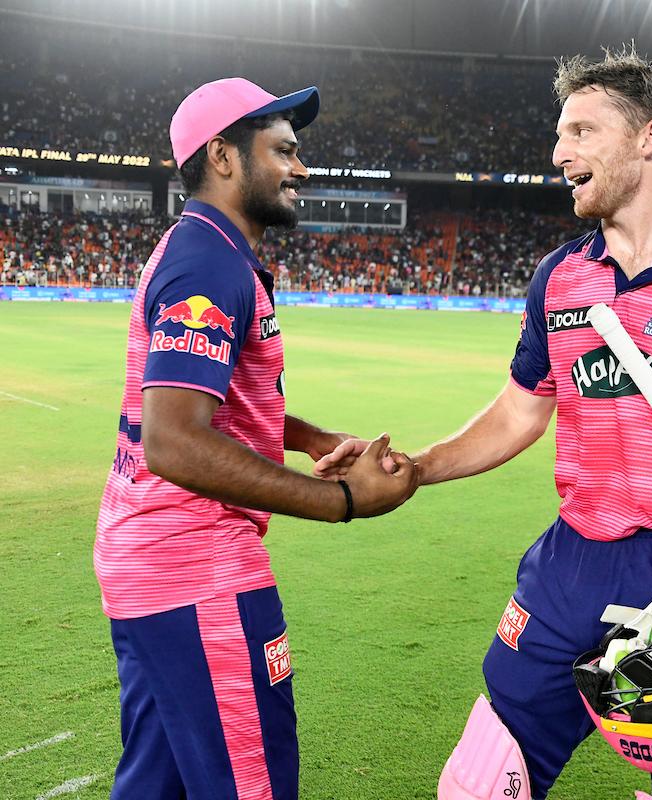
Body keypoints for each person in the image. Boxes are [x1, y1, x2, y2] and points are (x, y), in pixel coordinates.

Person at [320, 48, 652, 800]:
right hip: (569, 564)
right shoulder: (559, 277)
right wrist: (421, 466)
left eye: (581, 131)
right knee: (483, 778)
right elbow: (518, 411)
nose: (560, 153)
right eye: (560, 134)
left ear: (648, 137)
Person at [95, 78, 418, 800]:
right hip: (195, 569)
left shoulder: (211, 253)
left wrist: (305, 436)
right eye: (284, 151)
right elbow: (174, 441)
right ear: (224, 157)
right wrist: (342, 498)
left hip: (150, 562)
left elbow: (217, 400)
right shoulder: (207, 264)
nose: (301, 169)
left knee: (159, 784)